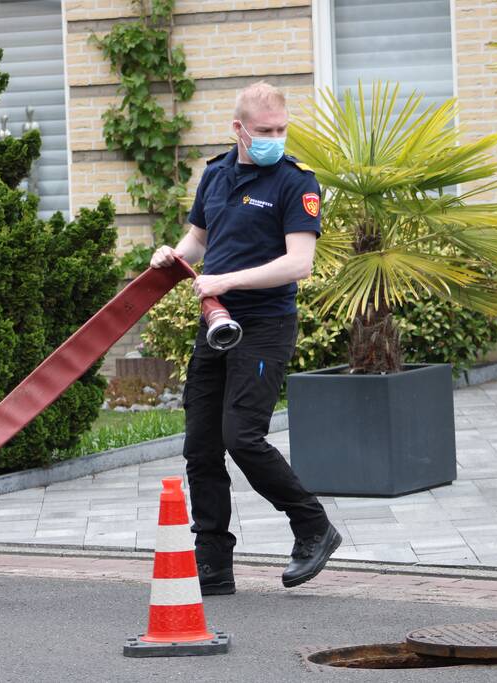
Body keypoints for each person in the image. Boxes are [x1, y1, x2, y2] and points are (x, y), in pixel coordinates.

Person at [150, 81, 341, 595]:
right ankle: (213, 562)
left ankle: (313, 526)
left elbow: (299, 262)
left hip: (264, 325)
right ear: (239, 129)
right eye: (264, 131)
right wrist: (175, 255)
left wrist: (227, 281)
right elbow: (200, 238)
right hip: (216, 324)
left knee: (242, 436)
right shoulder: (215, 174)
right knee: (201, 445)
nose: (275, 138)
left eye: (281, 129)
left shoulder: (295, 181)